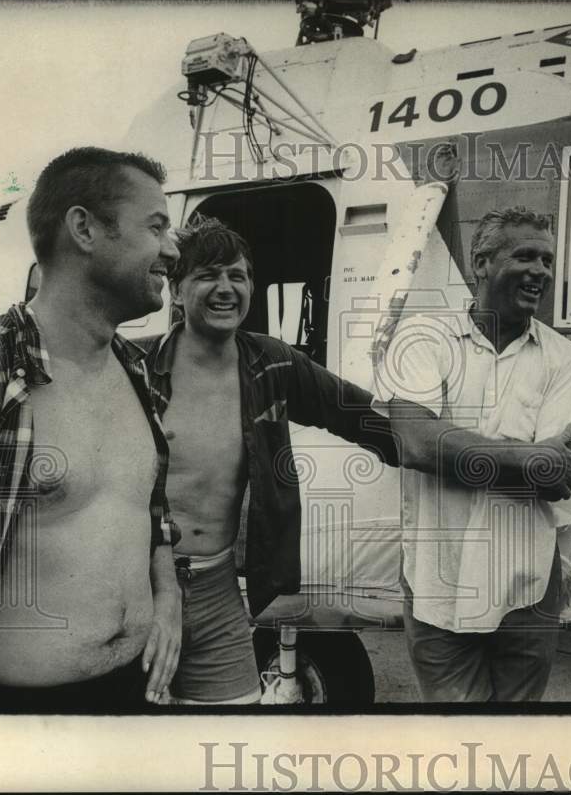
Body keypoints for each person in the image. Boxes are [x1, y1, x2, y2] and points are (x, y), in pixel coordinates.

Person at [0, 147, 183, 713]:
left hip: (136, 694)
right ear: (83, 228)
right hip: (16, 725)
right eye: (156, 227)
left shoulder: (138, 370)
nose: (173, 249)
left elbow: (150, 512)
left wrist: (169, 592)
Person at [142, 215, 399, 705]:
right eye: (208, 276)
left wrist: (472, 453)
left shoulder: (272, 363)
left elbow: (364, 415)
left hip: (218, 587)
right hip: (138, 586)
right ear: (176, 291)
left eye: (237, 276)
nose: (226, 289)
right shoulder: (136, 368)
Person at [376, 206, 571, 703]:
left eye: (546, 259)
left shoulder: (563, 357)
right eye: (524, 256)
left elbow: (558, 476)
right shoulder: (421, 339)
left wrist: (452, 446)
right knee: (457, 752)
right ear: (481, 262)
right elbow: (415, 444)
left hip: (527, 588)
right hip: (437, 584)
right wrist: (527, 456)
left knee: (514, 746)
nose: (540, 270)